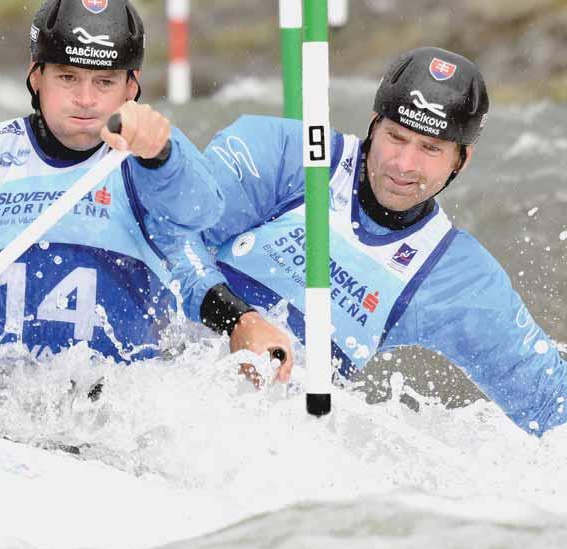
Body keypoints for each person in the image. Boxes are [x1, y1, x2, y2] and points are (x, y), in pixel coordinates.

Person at [188, 47, 567, 436]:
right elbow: (164, 236)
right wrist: (236, 319)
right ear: (373, 125)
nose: (404, 164)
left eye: (430, 148)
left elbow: (550, 401)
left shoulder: (456, 277)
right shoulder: (284, 154)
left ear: (461, 160)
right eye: (396, 137)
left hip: (265, 441)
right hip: (162, 376)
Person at [0, 0, 233, 388]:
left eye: (104, 81)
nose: (86, 99)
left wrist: (161, 153)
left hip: (118, 411)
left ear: (130, 87)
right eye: (68, 78)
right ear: (36, 76)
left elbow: (203, 212)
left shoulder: (152, 157)